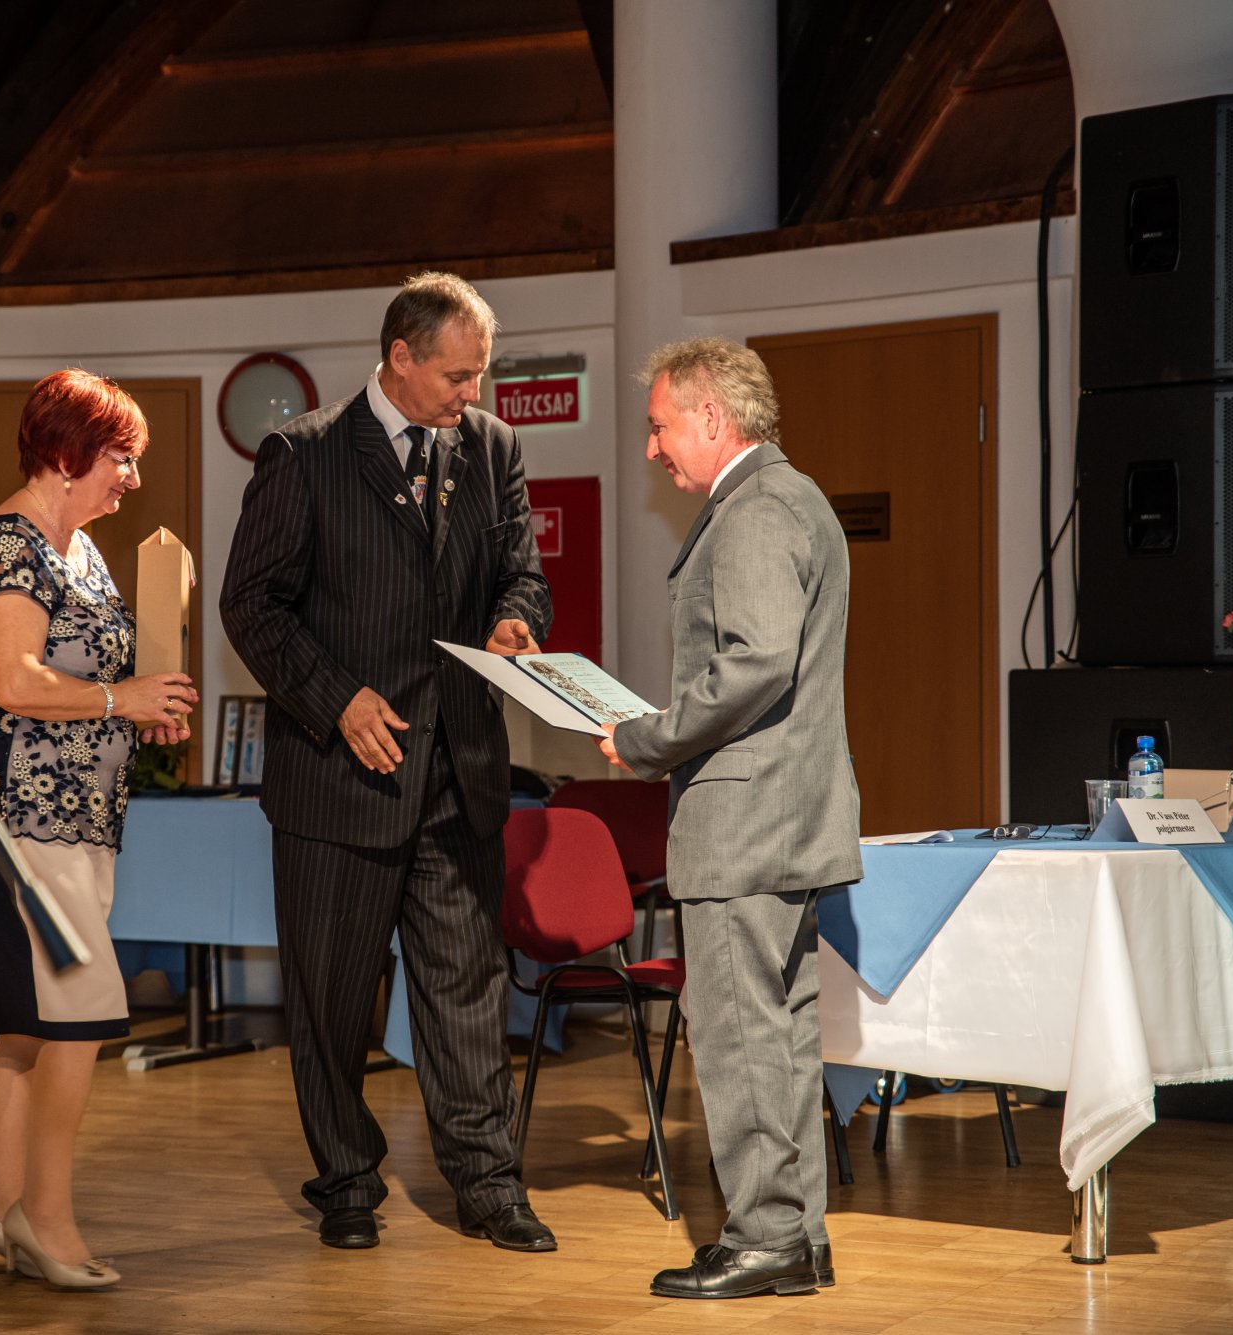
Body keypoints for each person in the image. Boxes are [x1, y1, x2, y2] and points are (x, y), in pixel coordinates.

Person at [220, 272, 554, 1252]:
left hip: (460, 772)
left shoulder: (492, 447)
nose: (471, 395)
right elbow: (251, 606)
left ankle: (488, 1185)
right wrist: (336, 699)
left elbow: (522, 573)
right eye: (455, 376)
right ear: (399, 357)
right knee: (331, 998)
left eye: (479, 376)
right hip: (339, 779)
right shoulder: (305, 454)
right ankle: (346, 1181)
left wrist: (513, 619)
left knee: (468, 992)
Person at [598, 336, 861, 1300]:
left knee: (743, 1038)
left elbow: (753, 664)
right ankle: (796, 1236)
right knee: (781, 1038)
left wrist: (647, 739)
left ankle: (765, 1237)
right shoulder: (800, 499)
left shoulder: (751, 510)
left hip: (744, 826)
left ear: (712, 416)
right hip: (789, 819)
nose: (653, 448)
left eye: (661, 426)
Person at [0, 368, 197, 1291]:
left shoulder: (82, 551)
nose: (133, 477)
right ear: (65, 451)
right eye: (122, 457)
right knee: (82, 1007)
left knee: (30, 1025)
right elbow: (15, 681)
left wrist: (144, 705)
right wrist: (121, 698)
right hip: (19, 816)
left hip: (81, 818)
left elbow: (97, 684)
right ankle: (44, 1219)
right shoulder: (6, 547)